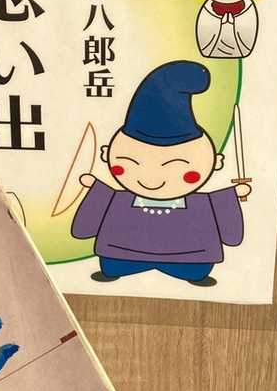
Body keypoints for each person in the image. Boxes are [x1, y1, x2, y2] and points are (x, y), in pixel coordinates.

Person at [71, 60, 250, 287]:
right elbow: (85, 227)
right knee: (113, 262)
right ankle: (116, 268)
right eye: (128, 165)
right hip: (120, 250)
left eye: (181, 170)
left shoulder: (201, 204)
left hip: (191, 254)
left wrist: (231, 196)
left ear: (216, 162)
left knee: (195, 268)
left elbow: (227, 226)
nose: (151, 180)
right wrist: (97, 189)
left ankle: (193, 272)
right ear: (106, 154)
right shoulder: (118, 199)